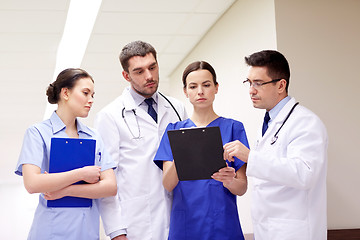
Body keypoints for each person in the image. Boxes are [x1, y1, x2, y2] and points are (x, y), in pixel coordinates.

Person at [223, 50, 328, 240]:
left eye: (258, 83)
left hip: (295, 232)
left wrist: (250, 157)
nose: (251, 90)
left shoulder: (306, 122)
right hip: (268, 229)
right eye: (249, 82)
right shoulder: (269, 122)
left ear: (281, 85)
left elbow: (305, 174)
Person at [95, 40, 187, 240]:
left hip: (179, 218)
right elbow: (107, 178)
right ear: (126, 76)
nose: (149, 76)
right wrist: (116, 232)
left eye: (152, 67)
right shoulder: (109, 116)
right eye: (139, 71)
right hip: (136, 223)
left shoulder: (177, 109)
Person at [15, 68, 117, 240]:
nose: (90, 100)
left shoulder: (94, 136)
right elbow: (32, 183)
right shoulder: (37, 133)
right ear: (66, 93)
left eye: (93, 95)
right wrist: (82, 174)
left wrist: (64, 190)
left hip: (87, 233)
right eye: (85, 93)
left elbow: (110, 187)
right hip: (49, 232)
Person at [153, 61, 249, 240]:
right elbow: (168, 184)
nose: (200, 91)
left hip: (224, 225)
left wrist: (229, 180)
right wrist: (183, 147)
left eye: (206, 85)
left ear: (216, 88)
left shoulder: (234, 128)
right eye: (193, 86)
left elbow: (242, 187)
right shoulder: (174, 131)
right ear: (185, 92)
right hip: (186, 226)